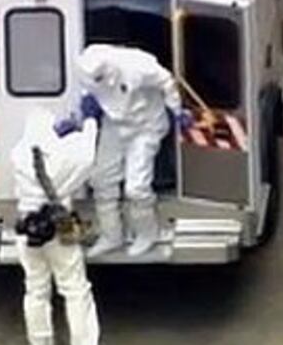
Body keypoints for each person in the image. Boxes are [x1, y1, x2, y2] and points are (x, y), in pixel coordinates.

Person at [12, 109, 110, 345]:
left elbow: (41, 153)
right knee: (76, 289)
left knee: (35, 290)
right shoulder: (65, 158)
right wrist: (87, 123)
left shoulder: (19, 154)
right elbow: (87, 155)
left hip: (28, 228)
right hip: (59, 225)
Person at [71, 44, 192, 258]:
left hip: (145, 126)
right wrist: (80, 118)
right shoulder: (86, 69)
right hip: (115, 125)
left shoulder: (137, 65)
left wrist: (176, 109)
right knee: (101, 179)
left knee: (136, 187)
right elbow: (90, 95)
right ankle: (112, 235)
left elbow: (166, 81)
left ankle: (148, 232)